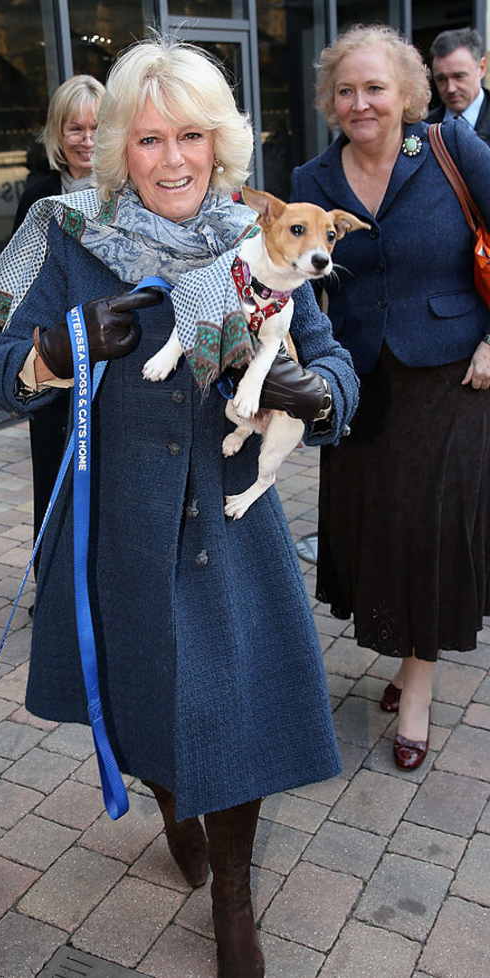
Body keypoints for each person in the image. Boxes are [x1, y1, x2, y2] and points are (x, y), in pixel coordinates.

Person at [0, 36, 359, 978]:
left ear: (220, 144)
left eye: (191, 135)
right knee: (142, 696)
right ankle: (165, 802)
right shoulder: (72, 238)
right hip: (118, 523)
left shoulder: (261, 235)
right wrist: (57, 356)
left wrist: (320, 395)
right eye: (148, 140)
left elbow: (334, 358)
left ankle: (234, 890)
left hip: (228, 522)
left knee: (236, 711)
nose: (173, 159)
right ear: (115, 149)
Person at [291, 24, 490, 772]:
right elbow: (290, 274)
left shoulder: (445, 149)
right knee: (376, 527)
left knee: (429, 532)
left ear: (407, 92)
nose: (361, 101)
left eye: (375, 87)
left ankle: (418, 690)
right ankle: (408, 657)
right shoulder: (312, 178)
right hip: (356, 381)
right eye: (346, 89)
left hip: (448, 377)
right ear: (329, 100)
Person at [13, 75, 105, 577]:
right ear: (57, 133)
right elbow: (18, 278)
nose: (86, 139)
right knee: (51, 472)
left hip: (113, 354)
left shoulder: (128, 191)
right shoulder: (37, 197)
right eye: (75, 128)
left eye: (96, 127)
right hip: (53, 355)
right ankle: (50, 584)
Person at [426, 27, 490, 144]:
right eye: (441, 79)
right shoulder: (424, 128)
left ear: (481, 69)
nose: (450, 88)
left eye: (459, 76)